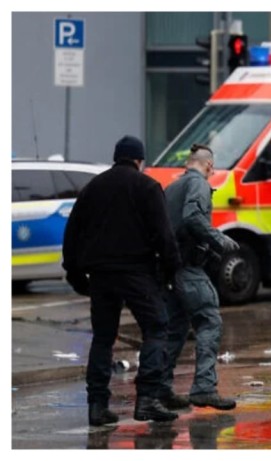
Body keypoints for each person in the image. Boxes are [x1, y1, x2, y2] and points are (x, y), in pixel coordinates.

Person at [62, 135, 182, 426]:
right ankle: (148, 399)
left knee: (103, 338)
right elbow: (164, 235)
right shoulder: (146, 187)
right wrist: (171, 272)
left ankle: (97, 406)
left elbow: (73, 233)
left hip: (101, 275)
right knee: (156, 327)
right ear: (139, 160)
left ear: (116, 157)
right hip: (136, 272)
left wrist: (76, 275)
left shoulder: (93, 188)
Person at [162, 143, 240, 410]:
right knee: (210, 321)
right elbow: (193, 216)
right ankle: (204, 387)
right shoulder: (199, 185)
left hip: (170, 271)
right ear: (208, 165)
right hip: (189, 269)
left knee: (177, 329)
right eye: (212, 167)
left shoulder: (172, 188)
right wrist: (219, 239)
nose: (212, 171)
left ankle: (160, 390)